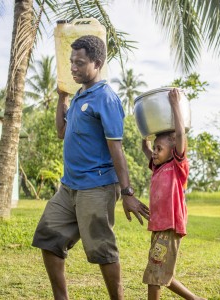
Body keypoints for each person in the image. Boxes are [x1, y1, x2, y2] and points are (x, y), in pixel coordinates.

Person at [32, 35, 149, 300]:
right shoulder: (79, 95)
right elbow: (62, 132)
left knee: (101, 251)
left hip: (96, 187)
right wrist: (62, 100)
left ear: (97, 63)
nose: (73, 67)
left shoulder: (106, 98)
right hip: (69, 187)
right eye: (71, 62)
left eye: (80, 63)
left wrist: (127, 192)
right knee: (49, 238)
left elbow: (116, 148)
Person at [141, 88, 206, 300]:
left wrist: (176, 105)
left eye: (159, 148)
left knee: (155, 275)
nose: (155, 152)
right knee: (159, 274)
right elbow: (146, 147)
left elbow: (179, 134)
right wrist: (146, 133)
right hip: (159, 227)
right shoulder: (158, 167)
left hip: (169, 227)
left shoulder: (178, 166)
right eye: (156, 149)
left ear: (173, 149)